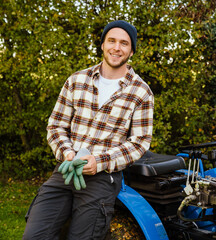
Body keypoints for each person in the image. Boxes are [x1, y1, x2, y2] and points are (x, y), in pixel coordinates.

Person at [23, 20, 154, 240]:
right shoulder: (76, 80)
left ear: (131, 51)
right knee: (34, 235)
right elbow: (56, 125)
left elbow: (139, 142)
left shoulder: (141, 91)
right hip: (65, 169)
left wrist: (99, 162)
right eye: (111, 41)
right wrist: (67, 152)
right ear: (102, 44)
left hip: (103, 178)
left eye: (124, 43)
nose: (116, 47)